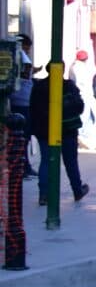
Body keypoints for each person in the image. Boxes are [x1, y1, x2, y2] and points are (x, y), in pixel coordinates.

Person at [29, 68, 89, 203]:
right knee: (70, 161)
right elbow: (79, 106)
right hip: (67, 129)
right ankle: (77, 190)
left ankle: (44, 194)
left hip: (44, 130)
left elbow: (32, 108)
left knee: (46, 160)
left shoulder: (39, 86)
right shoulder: (69, 85)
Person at [12, 33, 35, 178]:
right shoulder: (20, 56)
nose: (27, 52)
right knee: (22, 137)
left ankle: (24, 165)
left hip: (22, 101)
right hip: (21, 102)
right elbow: (25, 72)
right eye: (27, 49)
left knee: (23, 137)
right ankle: (22, 166)